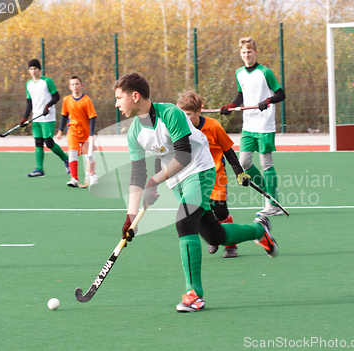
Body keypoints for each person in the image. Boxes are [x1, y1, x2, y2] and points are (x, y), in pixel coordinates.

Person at [114, 72, 278, 313]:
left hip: (199, 170)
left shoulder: (171, 114)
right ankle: (259, 229)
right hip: (175, 180)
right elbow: (137, 176)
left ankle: (195, 295)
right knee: (216, 236)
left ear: (135, 96)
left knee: (184, 222)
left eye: (119, 98)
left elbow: (183, 155)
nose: (117, 104)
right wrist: (130, 217)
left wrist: (154, 181)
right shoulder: (133, 133)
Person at [177, 91, 248, 258]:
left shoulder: (213, 126)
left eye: (188, 115)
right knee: (200, 212)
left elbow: (228, 150)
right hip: (194, 178)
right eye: (182, 115)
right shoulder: (179, 128)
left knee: (221, 212)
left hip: (216, 177)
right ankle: (212, 237)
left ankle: (231, 245)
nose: (185, 119)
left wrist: (239, 171)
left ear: (198, 112)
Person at [221, 37, 286, 216]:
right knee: (244, 162)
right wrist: (230, 106)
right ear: (240, 54)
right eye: (243, 52)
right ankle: (270, 194)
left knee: (266, 164)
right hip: (248, 125)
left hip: (265, 125)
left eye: (249, 52)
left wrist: (268, 100)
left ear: (255, 52)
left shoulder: (266, 72)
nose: (246, 55)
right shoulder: (239, 73)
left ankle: (272, 203)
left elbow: (281, 94)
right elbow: (241, 95)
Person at [21, 59, 69, 177]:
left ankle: (66, 159)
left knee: (48, 142)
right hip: (36, 117)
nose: (33, 71)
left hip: (47, 117)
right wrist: (25, 118)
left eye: (35, 68)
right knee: (38, 142)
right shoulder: (29, 84)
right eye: (31, 69)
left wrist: (48, 106)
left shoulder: (47, 81)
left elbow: (56, 96)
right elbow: (29, 103)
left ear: (39, 69)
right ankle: (39, 169)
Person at [56, 76, 98, 187]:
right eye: (73, 84)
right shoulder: (66, 100)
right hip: (72, 131)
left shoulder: (86, 100)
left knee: (89, 156)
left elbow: (92, 117)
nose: (75, 86)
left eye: (77, 84)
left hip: (86, 132)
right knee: (72, 154)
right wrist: (60, 130)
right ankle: (74, 178)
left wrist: (91, 134)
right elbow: (64, 116)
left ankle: (93, 176)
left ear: (81, 85)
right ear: (70, 87)